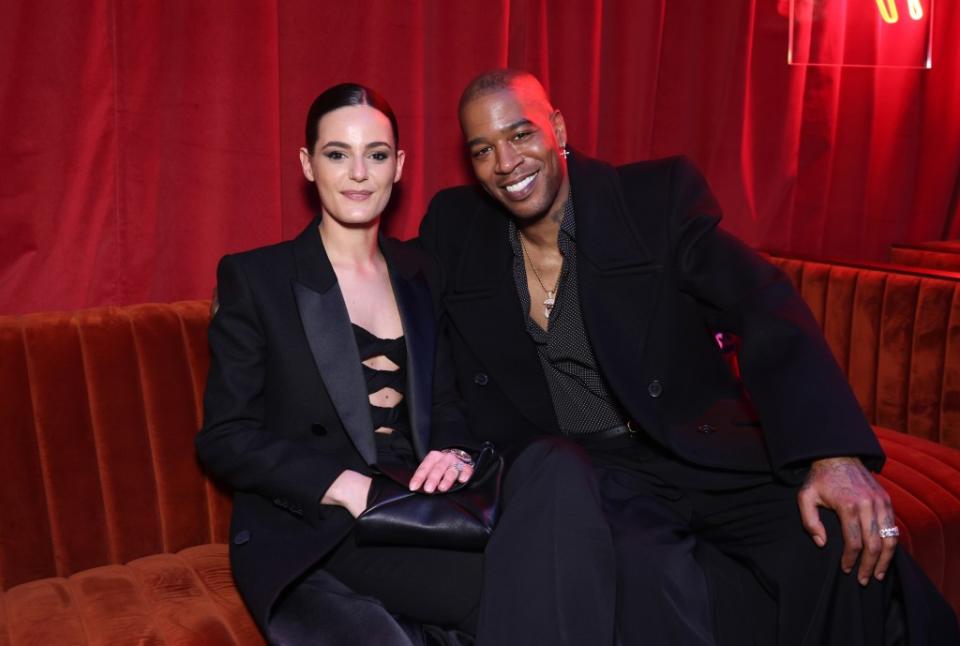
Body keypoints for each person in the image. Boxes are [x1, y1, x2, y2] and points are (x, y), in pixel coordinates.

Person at [418, 69, 960, 645]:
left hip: (695, 445)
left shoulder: (650, 202)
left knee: (834, 536)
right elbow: (414, 314)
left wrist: (831, 456)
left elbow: (763, 303)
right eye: (484, 149)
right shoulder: (457, 229)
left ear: (557, 128)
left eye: (521, 135)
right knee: (650, 581)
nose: (506, 162)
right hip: (590, 471)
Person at [197, 83, 616, 646]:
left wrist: (452, 449)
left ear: (398, 167)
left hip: (422, 499)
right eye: (337, 154)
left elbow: (446, 402)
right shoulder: (257, 278)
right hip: (324, 520)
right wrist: (341, 484)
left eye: (375, 155)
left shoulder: (422, 273)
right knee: (524, 577)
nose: (358, 175)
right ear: (307, 164)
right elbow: (226, 436)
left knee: (560, 466)